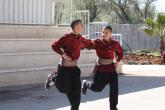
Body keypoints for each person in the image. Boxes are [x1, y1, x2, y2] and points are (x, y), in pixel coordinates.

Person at [45, 19, 92, 110]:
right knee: (64, 89)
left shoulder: (81, 39)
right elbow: (54, 45)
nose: (83, 27)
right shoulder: (67, 37)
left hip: (74, 70)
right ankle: (54, 78)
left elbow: (88, 43)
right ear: (76, 27)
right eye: (81, 25)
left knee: (76, 101)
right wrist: (64, 55)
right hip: (64, 69)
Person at [82, 25, 124, 110]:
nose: (104, 34)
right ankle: (86, 83)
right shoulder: (98, 42)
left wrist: (117, 61)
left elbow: (121, 52)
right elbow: (88, 43)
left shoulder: (115, 43)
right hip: (101, 70)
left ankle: (113, 107)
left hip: (111, 70)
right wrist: (80, 40)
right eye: (103, 32)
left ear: (110, 33)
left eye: (106, 32)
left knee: (114, 89)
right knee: (97, 88)